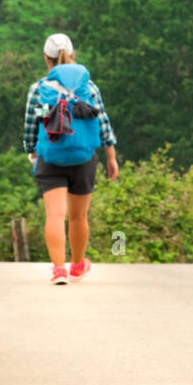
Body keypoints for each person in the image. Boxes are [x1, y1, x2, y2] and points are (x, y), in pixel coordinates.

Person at [22, 33, 119, 285]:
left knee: (55, 215)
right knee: (78, 217)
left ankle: (58, 270)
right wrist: (111, 157)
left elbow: (32, 127)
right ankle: (76, 265)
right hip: (83, 157)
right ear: (72, 54)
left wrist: (32, 153)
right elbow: (102, 123)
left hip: (50, 157)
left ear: (46, 58)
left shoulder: (39, 89)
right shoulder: (89, 87)